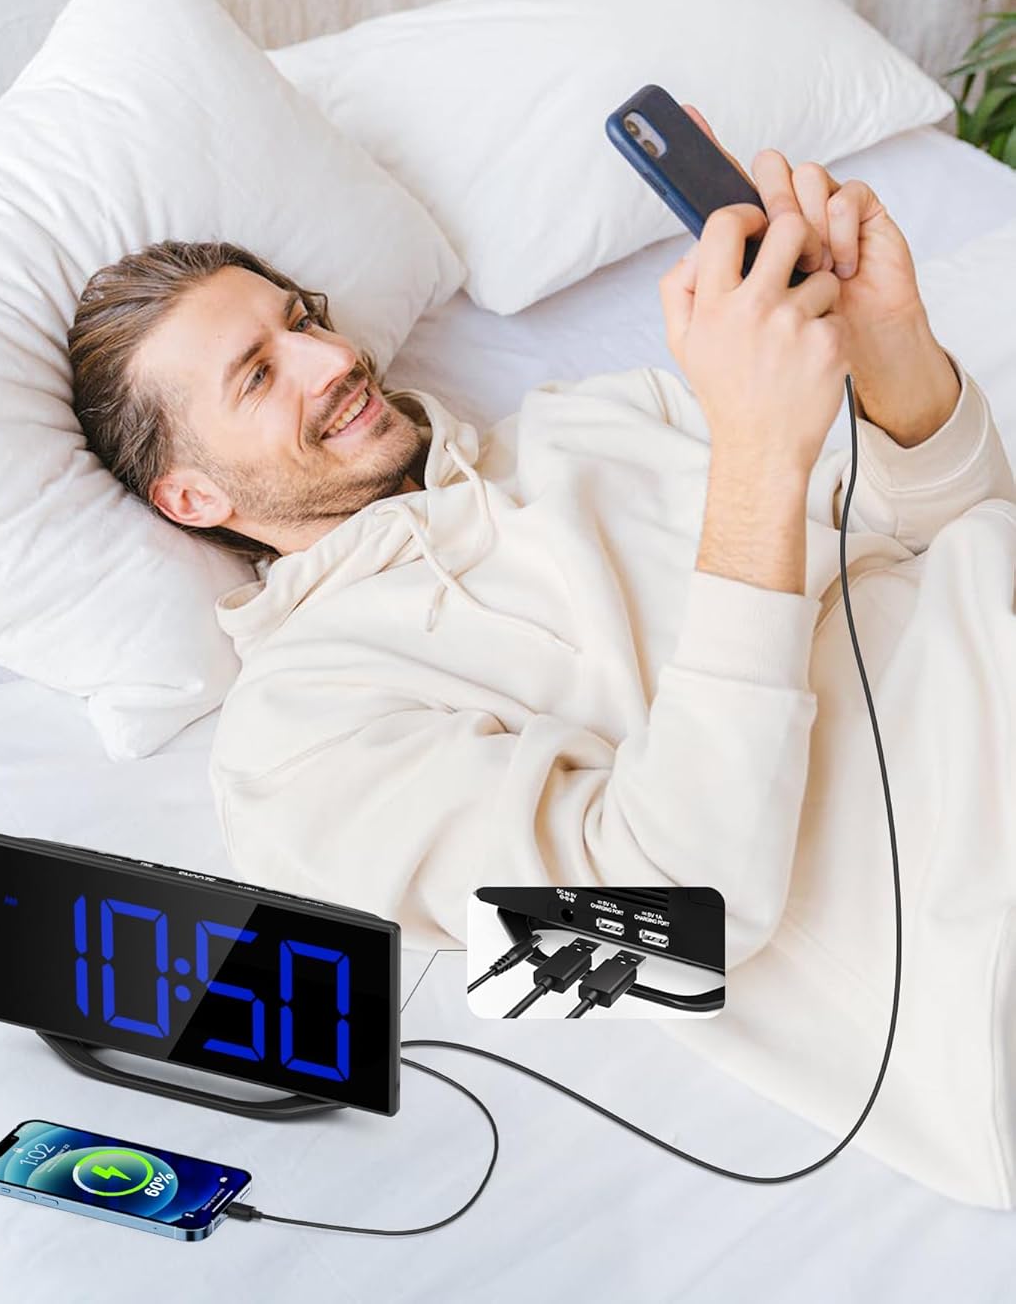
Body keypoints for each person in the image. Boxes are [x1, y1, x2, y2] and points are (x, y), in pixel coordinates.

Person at [69, 112, 1016, 1202]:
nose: (332, 358)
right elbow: (672, 931)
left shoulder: (594, 419)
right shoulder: (293, 742)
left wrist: (894, 352)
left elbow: (947, 529)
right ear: (192, 498)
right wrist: (758, 459)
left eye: (304, 320)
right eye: (258, 375)